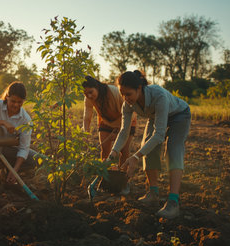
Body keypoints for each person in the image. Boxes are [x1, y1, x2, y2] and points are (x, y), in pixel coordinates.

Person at [109, 70, 191, 219]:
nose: (125, 98)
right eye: (122, 94)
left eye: (128, 94)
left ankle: (173, 202)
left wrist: (135, 156)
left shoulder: (158, 95)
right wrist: (113, 153)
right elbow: (123, 132)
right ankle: (153, 193)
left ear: (139, 88)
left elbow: (159, 135)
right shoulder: (128, 104)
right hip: (156, 116)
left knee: (173, 151)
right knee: (147, 147)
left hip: (179, 115)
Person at [82, 76, 137, 166]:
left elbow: (130, 112)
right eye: (86, 93)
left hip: (126, 120)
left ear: (96, 87)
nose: (89, 96)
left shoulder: (114, 92)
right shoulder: (88, 98)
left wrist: (119, 130)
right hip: (106, 121)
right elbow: (87, 117)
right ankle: (104, 174)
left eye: (91, 92)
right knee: (105, 149)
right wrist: (85, 133)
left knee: (124, 150)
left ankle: (122, 176)